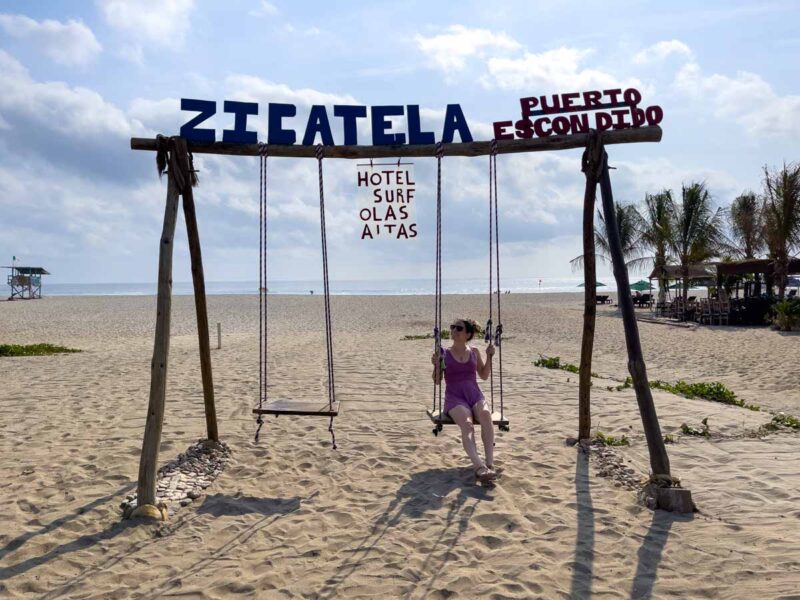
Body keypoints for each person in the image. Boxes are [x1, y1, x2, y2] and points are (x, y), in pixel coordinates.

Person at [432, 318, 497, 482]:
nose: (454, 330)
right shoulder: (444, 353)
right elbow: (437, 381)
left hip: (474, 394)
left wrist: (489, 357)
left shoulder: (474, 352)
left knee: (486, 416)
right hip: (455, 397)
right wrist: (436, 365)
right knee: (467, 426)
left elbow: (483, 375)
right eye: (452, 327)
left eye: (458, 328)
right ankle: (479, 466)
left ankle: (490, 463)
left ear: (468, 334)